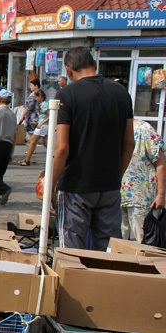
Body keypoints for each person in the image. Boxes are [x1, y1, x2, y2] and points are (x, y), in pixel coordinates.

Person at [52, 47, 135, 251]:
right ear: (94, 65)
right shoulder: (121, 93)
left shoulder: (66, 95)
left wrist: (51, 186)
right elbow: (129, 143)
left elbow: (62, 148)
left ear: (69, 71)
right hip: (109, 185)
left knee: (72, 252)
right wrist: (117, 175)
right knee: (107, 250)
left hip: (76, 186)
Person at [120, 120, 166, 242]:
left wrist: (161, 194)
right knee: (116, 244)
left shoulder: (143, 129)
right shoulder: (114, 129)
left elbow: (161, 161)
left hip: (140, 198)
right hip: (116, 197)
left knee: (142, 242)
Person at [19, 90, 49, 166]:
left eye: (36, 97)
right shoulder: (43, 104)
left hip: (43, 126)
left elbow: (50, 115)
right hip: (43, 125)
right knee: (46, 144)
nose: (36, 99)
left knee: (32, 142)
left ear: (40, 96)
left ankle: (27, 160)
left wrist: (41, 124)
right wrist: (37, 123)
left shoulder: (44, 104)